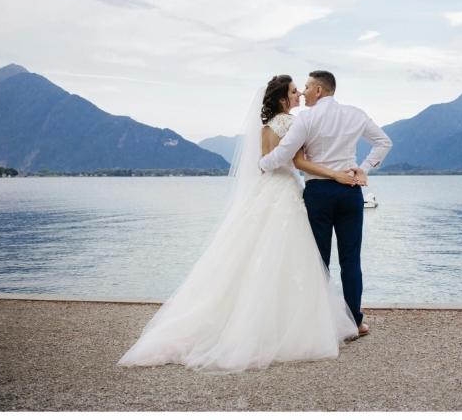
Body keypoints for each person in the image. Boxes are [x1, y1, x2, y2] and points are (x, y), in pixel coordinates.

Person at [117, 75, 360, 373]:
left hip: (266, 189)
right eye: (294, 91)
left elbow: (264, 160)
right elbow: (296, 162)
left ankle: (245, 316)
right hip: (285, 190)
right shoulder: (291, 124)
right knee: (290, 256)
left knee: (255, 253)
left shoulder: (265, 127)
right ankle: (288, 321)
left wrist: (268, 164)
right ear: (283, 99)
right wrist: (336, 174)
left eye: (301, 90)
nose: (299, 95)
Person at [259, 70, 392, 337]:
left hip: (318, 193)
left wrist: (263, 164)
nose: (304, 92)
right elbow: (383, 142)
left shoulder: (306, 117)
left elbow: (285, 153)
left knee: (318, 261)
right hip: (350, 192)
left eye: (307, 87)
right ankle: (355, 322)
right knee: (351, 260)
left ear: (319, 91)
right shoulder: (356, 114)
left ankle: (319, 323)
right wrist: (362, 168)